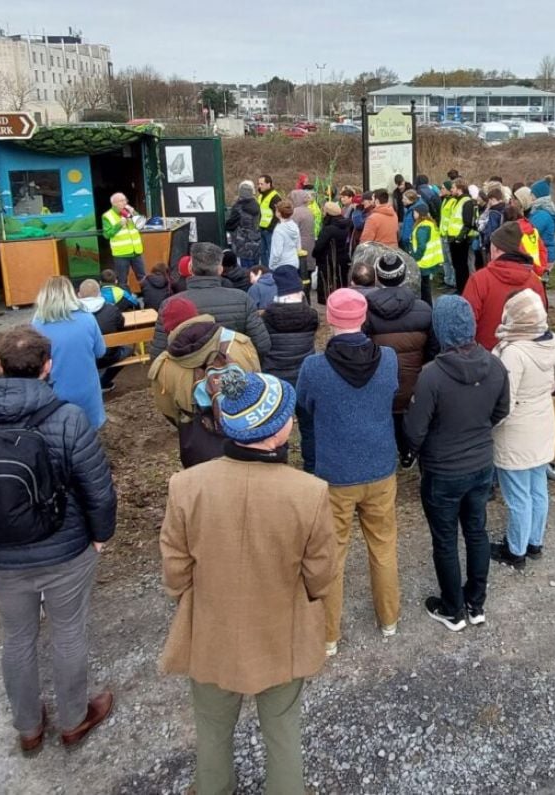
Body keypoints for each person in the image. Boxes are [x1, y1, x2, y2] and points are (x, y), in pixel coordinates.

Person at [0, 325, 117, 751]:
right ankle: (73, 719)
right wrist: (101, 534)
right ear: (47, 367)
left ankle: (28, 727)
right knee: (68, 630)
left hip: (0, 551)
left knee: (17, 637)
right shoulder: (69, 417)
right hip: (66, 548)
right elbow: (97, 487)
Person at [159, 369, 335, 795]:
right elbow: (320, 575)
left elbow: (175, 568)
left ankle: (213, 788)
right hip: (281, 633)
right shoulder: (309, 492)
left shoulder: (186, 486)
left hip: (212, 631)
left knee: (212, 728)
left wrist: (192, 591)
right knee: (282, 730)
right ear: (278, 432)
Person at [296, 289, 400, 655]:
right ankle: (389, 620)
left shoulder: (314, 368)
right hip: (381, 466)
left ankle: (329, 636)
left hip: (335, 473)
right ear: (364, 317)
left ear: (330, 320)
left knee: (332, 555)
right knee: (384, 546)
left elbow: (304, 408)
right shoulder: (388, 359)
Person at [404, 296, 510, 630]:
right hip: (481, 465)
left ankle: (453, 609)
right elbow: (501, 410)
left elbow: (414, 429)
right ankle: (475, 603)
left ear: (441, 329)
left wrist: (412, 453)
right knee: (477, 531)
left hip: (443, 471)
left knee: (446, 539)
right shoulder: (495, 365)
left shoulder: (431, 376)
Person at [489, 290, 555, 570]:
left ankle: (515, 550)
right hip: (542, 423)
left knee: (517, 495)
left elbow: (504, 402)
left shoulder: (514, 352)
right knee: (538, 489)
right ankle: (534, 542)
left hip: (517, 432)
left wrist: (488, 425)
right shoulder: (552, 342)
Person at [147, 296, 260, 467]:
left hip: (200, 442)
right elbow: (257, 380)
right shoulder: (240, 343)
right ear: (196, 315)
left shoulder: (163, 367)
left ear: (169, 330)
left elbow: (169, 411)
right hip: (249, 429)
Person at [363, 251, 435, 469]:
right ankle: (408, 452)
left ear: (378, 276)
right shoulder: (423, 310)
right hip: (415, 384)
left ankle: (388, 455)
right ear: (404, 276)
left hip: (380, 384)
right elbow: (433, 350)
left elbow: (363, 349)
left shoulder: (366, 311)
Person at [150, 242, 271, 361]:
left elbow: (158, 355)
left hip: (190, 376)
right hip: (234, 370)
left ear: (191, 268)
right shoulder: (243, 298)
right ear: (220, 269)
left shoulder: (169, 304)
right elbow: (262, 345)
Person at [262, 266, 319, 471]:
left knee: (277, 426)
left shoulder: (268, 317)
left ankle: (279, 465)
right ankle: (312, 467)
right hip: (304, 376)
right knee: (309, 426)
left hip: (277, 378)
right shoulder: (311, 316)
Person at [31, 277, 106, 429]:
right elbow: (100, 352)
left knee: (59, 438)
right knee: (88, 438)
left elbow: (34, 363)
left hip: (53, 396)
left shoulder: (37, 324)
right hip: (86, 392)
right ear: (71, 294)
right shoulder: (87, 319)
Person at [462, 222, 547, 351]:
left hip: (486, 356)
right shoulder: (534, 281)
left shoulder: (479, 280)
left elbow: (466, 323)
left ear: (495, 248)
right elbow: (542, 318)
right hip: (524, 354)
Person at [77, 279, 131, 391]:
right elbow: (121, 326)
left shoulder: (73, 314)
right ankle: (103, 382)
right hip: (108, 356)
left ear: (79, 295)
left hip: (83, 357)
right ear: (99, 293)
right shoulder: (112, 309)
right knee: (129, 350)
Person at [102, 192, 145, 292]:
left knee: (143, 278)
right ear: (114, 203)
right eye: (122, 201)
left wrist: (134, 212)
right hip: (121, 254)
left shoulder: (129, 212)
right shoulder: (107, 216)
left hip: (136, 252)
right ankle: (126, 303)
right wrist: (119, 225)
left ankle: (147, 298)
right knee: (122, 281)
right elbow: (107, 234)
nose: (125, 202)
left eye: (125, 200)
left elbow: (141, 224)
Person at [312, 201, 351, 305]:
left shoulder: (329, 229)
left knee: (328, 284)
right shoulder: (345, 225)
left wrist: (315, 254)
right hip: (342, 258)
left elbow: (319, 246)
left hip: (327, 260)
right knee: (340, 281)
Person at [409, 201, 444, 306]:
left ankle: (427, 307)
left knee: (424, 288)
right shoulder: (430, 224)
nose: (413, 215)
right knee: (426, 286)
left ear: (419, 213)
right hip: (429, 261)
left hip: (422, 262)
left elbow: (421, 246)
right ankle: (427, 306)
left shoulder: (422, 227)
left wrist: (415, 257)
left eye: (414, 212)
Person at [446, 179, 477, 293]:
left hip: (460, 240)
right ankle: (460, 288)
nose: (451, 190)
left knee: (461, 267)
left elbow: (467, 222)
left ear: (459, 189)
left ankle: (463, 290)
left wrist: (460, 238)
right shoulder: (457, 201)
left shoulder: (466, 201)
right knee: (457, 266)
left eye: (453, 187)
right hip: (454, 239)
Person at [225, 180, 261, 268]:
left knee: (245, 270)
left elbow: (230, 225)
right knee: (255, 268)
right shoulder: (256, 204)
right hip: (256, 240)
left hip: (243, 244)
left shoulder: (238, 207)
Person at [528, 180, 555, 273]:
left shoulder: (542, 214)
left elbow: (531, 230)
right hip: (547, 253)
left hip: (543, 255)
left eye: (532, 194)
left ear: (538, 195)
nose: (530, 197)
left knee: (539, 283)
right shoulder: (544, 210)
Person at [269, 200, 301, 271]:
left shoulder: (279, 230)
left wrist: (272, 265)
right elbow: (298, 246)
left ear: (279, 213)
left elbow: (277, 253)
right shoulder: (294, 226)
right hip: (294, 262)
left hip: (281, 265)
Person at [256, 175, 281, 266]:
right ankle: (265, 272)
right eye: (258, 184)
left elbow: (278, 215)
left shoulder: (275, 197)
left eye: (262, 184)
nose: (259, 186)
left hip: (270, 230)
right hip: (262, 229)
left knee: (271, 253)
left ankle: (271, 273)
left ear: (268, 184)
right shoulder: (261, 196)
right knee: (262, 253)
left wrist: (270, 228)